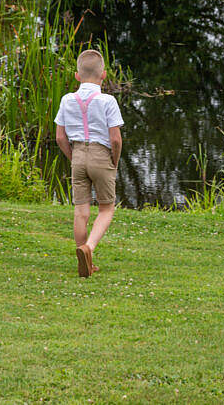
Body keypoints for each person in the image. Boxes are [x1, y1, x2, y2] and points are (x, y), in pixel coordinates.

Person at [54, 49, 124, 277]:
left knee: (81, 210)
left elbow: (59, 137)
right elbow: (115, 138)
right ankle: (88, 248)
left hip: (78, 155)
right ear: (104, 75)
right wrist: (114, 160)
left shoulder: (67, 99)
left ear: (77, 76)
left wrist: (73, 157)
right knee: (106, 208)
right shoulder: (108, 100)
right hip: (100, 154)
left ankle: (84, 262)